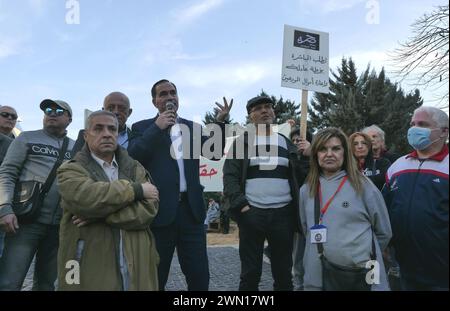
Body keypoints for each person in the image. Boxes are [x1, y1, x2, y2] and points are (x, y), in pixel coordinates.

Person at [128, 79, 233, 291]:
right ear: (154, 101)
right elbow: (134, 156)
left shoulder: (192, 128)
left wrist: (220, 123)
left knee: (199, 275)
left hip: (191, 212)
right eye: (163, 94)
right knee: (156, 275)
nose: (169, 97)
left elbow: (213, 152)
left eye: (172, 93)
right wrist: (157, 127)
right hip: (159, 212)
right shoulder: (141, 127)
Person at [56, 111, 159, 290]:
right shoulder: (70, 169)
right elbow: (85, 198)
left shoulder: (135, 168)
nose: (106, 133)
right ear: (86, 136)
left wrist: (100, 216)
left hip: (136, 260)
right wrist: (136, 190)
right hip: (89, 264)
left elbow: (148, 210)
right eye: (98, 128)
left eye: (112, 129)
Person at [223, 95, 307, 291]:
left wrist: (307, 156)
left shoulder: (287, 144)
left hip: (283, 216)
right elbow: (229, 177)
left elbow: (301, 176)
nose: (264, 111)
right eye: (258, 108)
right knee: (250, 275)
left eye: (268, 107)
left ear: (273, 112)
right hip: (252, 214)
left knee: (284, 274)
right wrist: (243, 207)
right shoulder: (242, 143)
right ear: (250, 116)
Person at [299, 127, 392, 291]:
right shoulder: (306, 191)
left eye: (335, 148)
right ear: (315, 154)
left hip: (363, 276)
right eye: (322, 149)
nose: (329, 154)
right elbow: (306, 229)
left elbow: (383, 232)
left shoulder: (363, 185)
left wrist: (358, 254)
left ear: (345, 153)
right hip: (319, 278)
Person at [0, 99, 75, 290]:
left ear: (69, 119)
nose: (52, 113)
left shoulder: (77, 148)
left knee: (46, 285)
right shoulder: (25, 138)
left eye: (59, 110)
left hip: (59, 226)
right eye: (48, 110)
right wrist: (4, 208)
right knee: (9, 282)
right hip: (25, 222)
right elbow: (7, 173)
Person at [383, 106, 449, 291]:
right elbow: (384, 208)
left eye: (422, 124)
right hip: (403, 267)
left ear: (444, 132)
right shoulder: (398, 166)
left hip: (441, 270)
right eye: (412, 124)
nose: (413, 129)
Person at [289, 127, 312, 291]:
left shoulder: (316, 160)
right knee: (297, 256)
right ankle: (298, 285)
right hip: (295, 218)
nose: (297, 143)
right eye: (294, 141)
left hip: (315, 216)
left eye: (300, 140)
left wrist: (309, 155)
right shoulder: (289, 161)